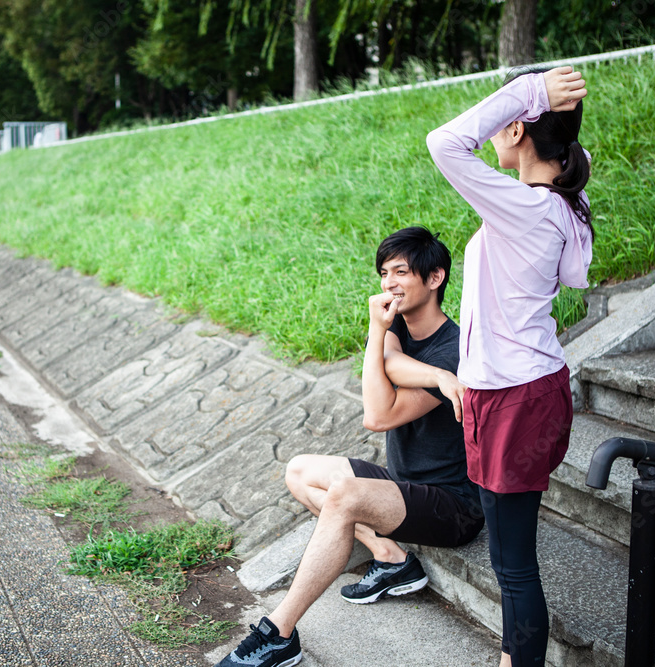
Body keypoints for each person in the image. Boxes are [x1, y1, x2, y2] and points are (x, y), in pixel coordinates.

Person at [215, 226, 484, 667]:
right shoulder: (397, 329)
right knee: (300, 471)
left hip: (452, 506)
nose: (388, 283)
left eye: (401, 272)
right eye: (383, 272)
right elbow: (391, 362)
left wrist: (425, 365)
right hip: (404, 486)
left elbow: (377, 416)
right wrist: (418, 365)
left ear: (434, 278)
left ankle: (279, 633)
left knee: (344, 494)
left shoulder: (455, 352)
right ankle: (389, 557)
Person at [419, 66, 594, 667]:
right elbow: (571, 272)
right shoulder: (564, 204)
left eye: (503, 120)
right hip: (528, 387)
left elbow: (444, 143)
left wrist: (530, 92)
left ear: (516, 125)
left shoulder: (528, 207)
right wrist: (541, 105)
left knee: (514, 569)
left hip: (515, 397)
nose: (492, 125)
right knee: (513, 562)